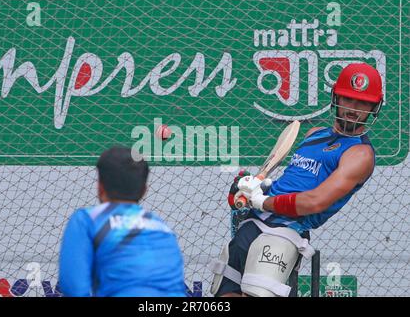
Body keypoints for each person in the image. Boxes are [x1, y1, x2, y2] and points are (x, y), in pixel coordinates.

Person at [210, 63, 383, 297]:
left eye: (363, 103)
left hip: (284, 233)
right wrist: (253, 190)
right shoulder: (315, 134)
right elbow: (294, 181)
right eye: (348, 99)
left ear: (374, 107)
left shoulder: (360, 154)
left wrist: (262, 201)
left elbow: (314, 202)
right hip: (251, 224)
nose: (353, 108)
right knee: (224, 295)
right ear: (335, 97)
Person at [59, 146, 185, 296]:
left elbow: (74, 289)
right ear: (145, 190)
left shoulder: (87, 219)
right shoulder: (162, 227)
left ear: (100, 187)